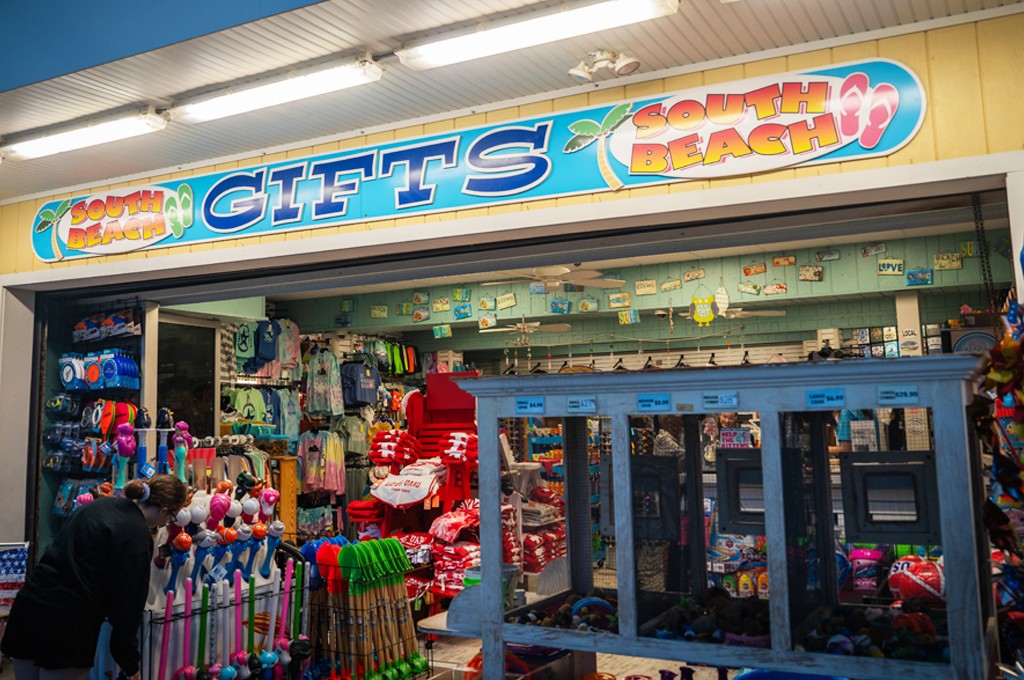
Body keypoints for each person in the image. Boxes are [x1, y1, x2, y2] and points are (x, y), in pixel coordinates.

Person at [2, 474, 188, 680]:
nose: (166, 523)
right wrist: (130, 663)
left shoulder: (98, 506)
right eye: (171, 517)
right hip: (67, 622)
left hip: (29, 605)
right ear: (163, 510)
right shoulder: (137, 534)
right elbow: (128, 605)